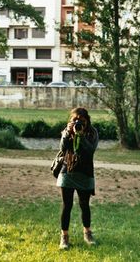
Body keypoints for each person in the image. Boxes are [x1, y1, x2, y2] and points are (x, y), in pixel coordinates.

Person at [56, 107, 99, 250]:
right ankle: (64, 237)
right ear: (71, 120)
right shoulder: (67, 130)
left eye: (81, 120)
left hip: (85, 172)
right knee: (66, 205)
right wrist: (67, 133)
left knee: (84, 205)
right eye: (75, 119)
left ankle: (87, 233)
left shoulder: (92, 132)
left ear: (87, 121)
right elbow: (63, 148)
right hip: (67, 170)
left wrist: (81, 136)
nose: (78, 122)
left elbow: (89, 151)